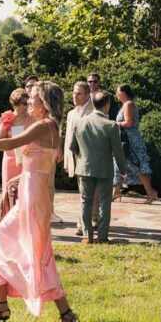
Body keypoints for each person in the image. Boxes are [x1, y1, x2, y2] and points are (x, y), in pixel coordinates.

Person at [0, 81, 80, 322]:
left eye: (33, 98)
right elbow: (42, 165)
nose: (29, 102)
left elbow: (10, 145)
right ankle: (1, 306)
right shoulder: (50, 126)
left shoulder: (44, 125)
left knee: (38, 258)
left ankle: (67, 315)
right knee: (0, 247)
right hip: (31, 194)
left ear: (44, 103)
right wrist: (19, 179)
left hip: (33, 201)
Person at [70, 90, 128, 244]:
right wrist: (123, 171)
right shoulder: (112, 126)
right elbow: (118, 152)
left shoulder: (79, 122)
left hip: (84, 167)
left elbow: (72, 146)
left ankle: (86, 236)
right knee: (104, 202)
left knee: (85, 201)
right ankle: (102, 236)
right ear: (107, 105)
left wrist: (84, 157)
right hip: (104, 169)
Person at [115, 84, 158, 203]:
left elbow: (128, 123)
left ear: (124, 92)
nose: (116, 94)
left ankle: (150, 192)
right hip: (125, 139)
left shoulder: (128, 104)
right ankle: (116, 191)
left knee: (136, 165)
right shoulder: (125, 105)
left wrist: (115, 124)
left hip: (131, 141)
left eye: (118, 92)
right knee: (119, 165)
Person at [0, 88, 33, 220]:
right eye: (24, 104)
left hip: (28, 159)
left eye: (28, 103)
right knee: (8, 190)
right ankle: (6, 218)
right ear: (16, 104)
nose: (27, 106)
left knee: (26, 190)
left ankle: (24, 219)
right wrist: (15, 141)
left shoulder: (32, 118)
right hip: (11, 159)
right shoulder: (8, 118)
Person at [63, 83, 94, 237]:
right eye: (74, 93)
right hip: (74, 157)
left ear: (88, 95)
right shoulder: (71, 114)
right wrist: (67, 158)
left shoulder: (93, 111)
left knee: (86, 192)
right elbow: (68, 138)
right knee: (83, 191)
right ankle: (87, 220)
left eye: (79, 94)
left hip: (87, 158)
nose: (75, 96)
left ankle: (83, 223)